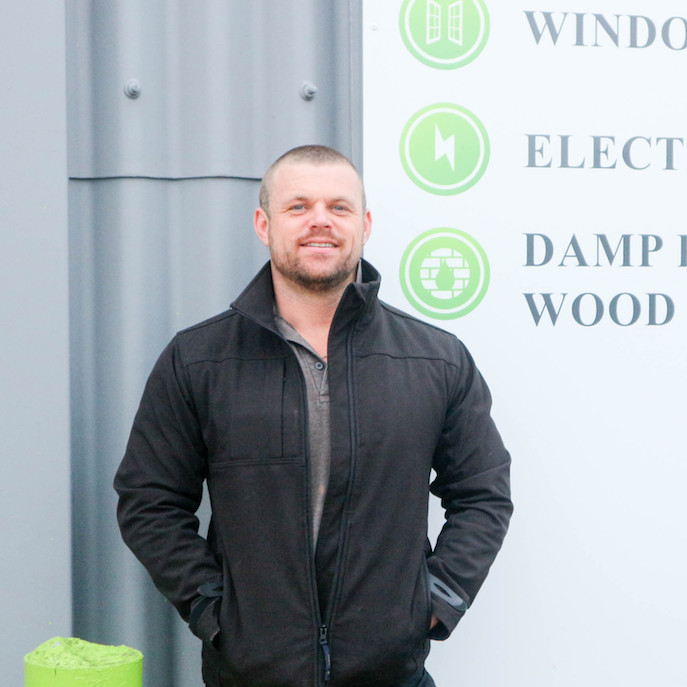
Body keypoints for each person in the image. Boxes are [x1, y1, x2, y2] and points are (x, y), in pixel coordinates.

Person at [114, 145, 513, 687]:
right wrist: (213, 609)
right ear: (264, 223)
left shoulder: (435, 359)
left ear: (365, 225)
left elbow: (483, 491)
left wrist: (436, 599)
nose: (320, 221)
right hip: (248, 674)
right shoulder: (198, 359)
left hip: (391, 675)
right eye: (298, 206)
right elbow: (149, 501)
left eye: (339, 207)